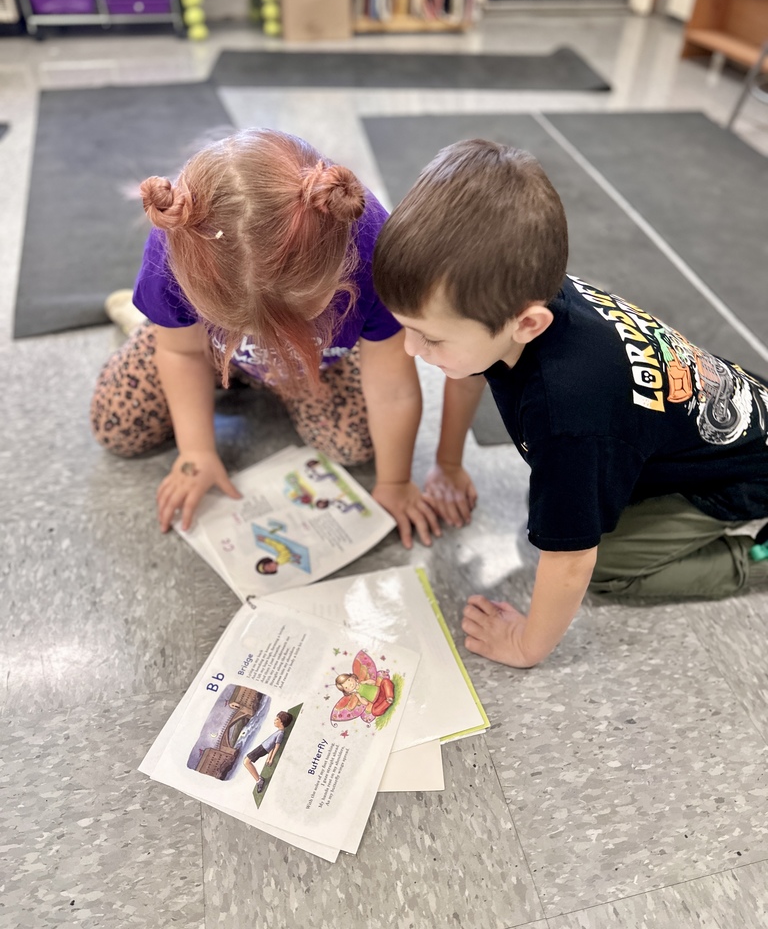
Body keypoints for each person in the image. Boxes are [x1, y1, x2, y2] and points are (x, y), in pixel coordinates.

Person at [372, 138, 768, 668]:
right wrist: (447, 463)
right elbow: (469, 371)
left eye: (430, 338)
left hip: (739, 477)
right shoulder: (519, 296)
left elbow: (572, 561)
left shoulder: (567, 419)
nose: (410, 349)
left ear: (527, 323)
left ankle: (756, 559)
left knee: (608, 564)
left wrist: (526, 645)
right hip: (730, 416)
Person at [90, 129, 477, 547]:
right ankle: (146, 316)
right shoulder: (172, 248)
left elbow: (391, 387)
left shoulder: (373, 251)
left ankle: (241, 359)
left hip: (316, 363)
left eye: (297, 321)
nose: (268, 338)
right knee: (116, 426)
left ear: (341, 271)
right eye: (244, 326)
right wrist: (196, 453)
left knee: (357, 445)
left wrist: (396, 481)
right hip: (201, 348)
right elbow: (180, 354)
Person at [243, 711, 293, 793]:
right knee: (246, 761)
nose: (274, 720)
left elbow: (276, 746)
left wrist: (271, 758)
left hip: (262, 748)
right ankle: (259, 779)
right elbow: (272, 746)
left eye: (277, 719)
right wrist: (268, 758)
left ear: (282, 722)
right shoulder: (278, 732)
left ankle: (259, 781)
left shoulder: (280, 733)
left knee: (246, 762)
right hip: (262, 747)